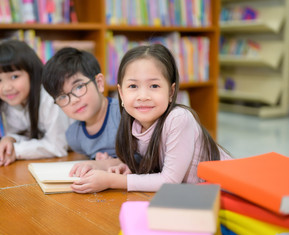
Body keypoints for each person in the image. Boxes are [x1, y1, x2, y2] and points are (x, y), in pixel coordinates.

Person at [70, 44, 232, 193]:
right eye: (133, 86)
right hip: (195, 195)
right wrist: (127, 169)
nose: (143, 96)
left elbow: (169, 180)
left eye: (154, 86)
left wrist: (113, 180)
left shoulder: (179, 118)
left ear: (170, 91)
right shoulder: (134, 125)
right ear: (121, 93)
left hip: (228, 192)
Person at [0, 40, 70, 167]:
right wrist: (10, 139)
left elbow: (58, 146)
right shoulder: (10, 101)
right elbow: (27, 137)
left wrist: (17, 150)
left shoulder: (50, 99)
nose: (6, 87)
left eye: (14, 77)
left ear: (33, 74)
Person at [42, 47, 121, 172]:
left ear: (99, 83)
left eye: (78, 87)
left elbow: (149, 160)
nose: (73, 100)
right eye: (62, 96)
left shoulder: (124, 115)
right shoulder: (74, 137)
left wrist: (107, 163)